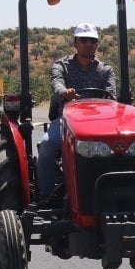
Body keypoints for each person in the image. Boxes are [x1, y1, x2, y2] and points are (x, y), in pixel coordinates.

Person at [37, 23, 117, 202]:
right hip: (66, 121)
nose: (88, 44)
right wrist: (64, 92)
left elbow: (111, 96)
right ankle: (47, 194)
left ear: (97, 44)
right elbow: (56, 82)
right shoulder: (62, 66)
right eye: (83, 40)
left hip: (99, 122)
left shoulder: (105, 70)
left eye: (92, 40)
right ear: (75, 43)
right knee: (47, 146)